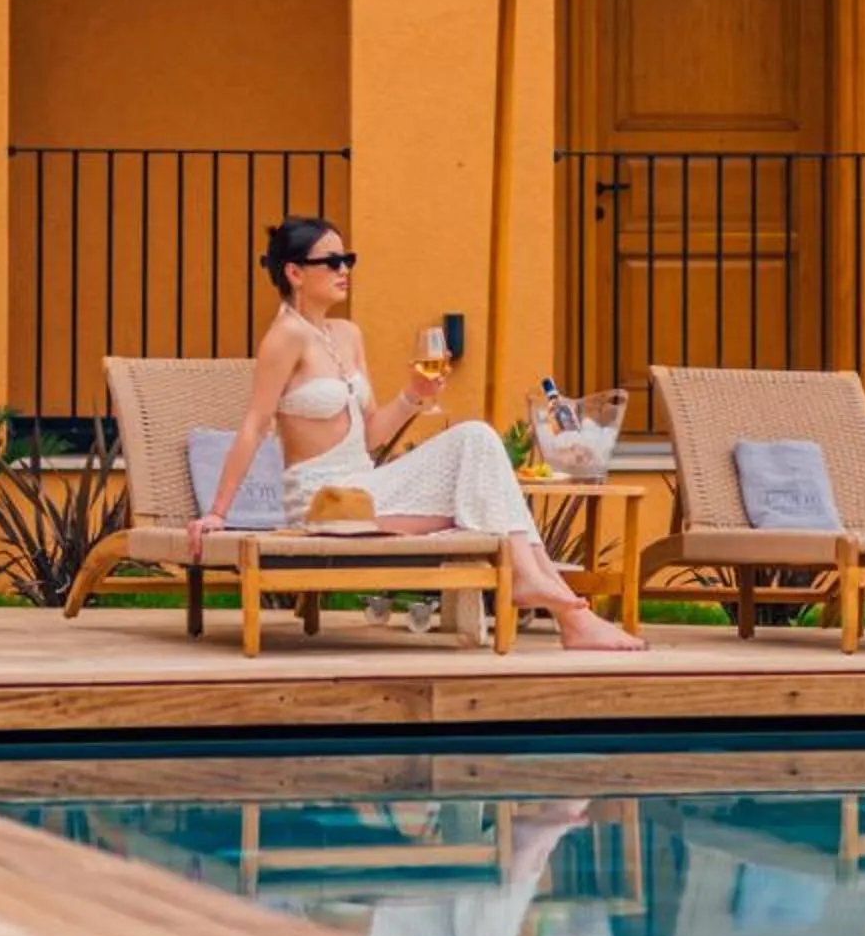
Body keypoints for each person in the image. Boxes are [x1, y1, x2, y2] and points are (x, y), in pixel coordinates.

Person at [188, 217, 644, 653]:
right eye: (330, 261)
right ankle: (563, 606)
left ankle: (559, 605)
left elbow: (368, 436)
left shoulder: (347, 334)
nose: (343, 269)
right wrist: (217, 512)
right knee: (477, 460)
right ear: (294, 273)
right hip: (323, 501)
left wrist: (413, 394)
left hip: (366, 484)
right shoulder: (284, 338)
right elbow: (253, 424)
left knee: (477, 438)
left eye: (348, 258)